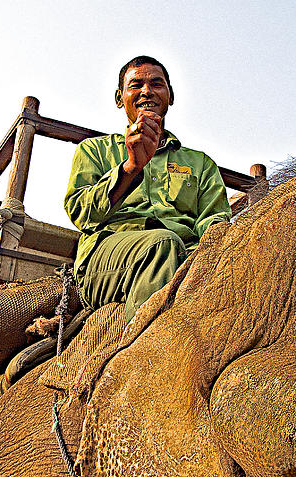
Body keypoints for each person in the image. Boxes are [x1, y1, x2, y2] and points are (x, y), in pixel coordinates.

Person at [64, 55, 232, 323]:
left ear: (170, 95)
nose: (146, 91)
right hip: (106, 262)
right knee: (162, 244)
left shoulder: (201, 164)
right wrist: (130, 168)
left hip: (185, 258)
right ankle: (142, 358)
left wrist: (200, 262)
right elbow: (80, 212)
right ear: (120, 98)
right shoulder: (94, 150)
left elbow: (215, 222)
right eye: (136, 84)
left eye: (156, 83)